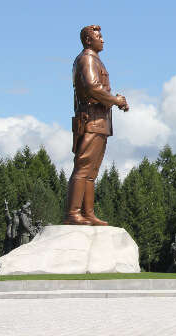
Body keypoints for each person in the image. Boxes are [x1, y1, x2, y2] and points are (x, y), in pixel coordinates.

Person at [65, 25, 129, 226]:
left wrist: (114, 101)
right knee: (84, 168)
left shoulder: (93, 59)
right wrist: (115, 100)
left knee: (91, 173)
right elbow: (93, 87)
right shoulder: (88, 59)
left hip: (99, 121)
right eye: (98, 36)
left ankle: (88, 213)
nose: (103, 40)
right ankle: (73, 213)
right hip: (91, 119)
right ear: (87, 40)